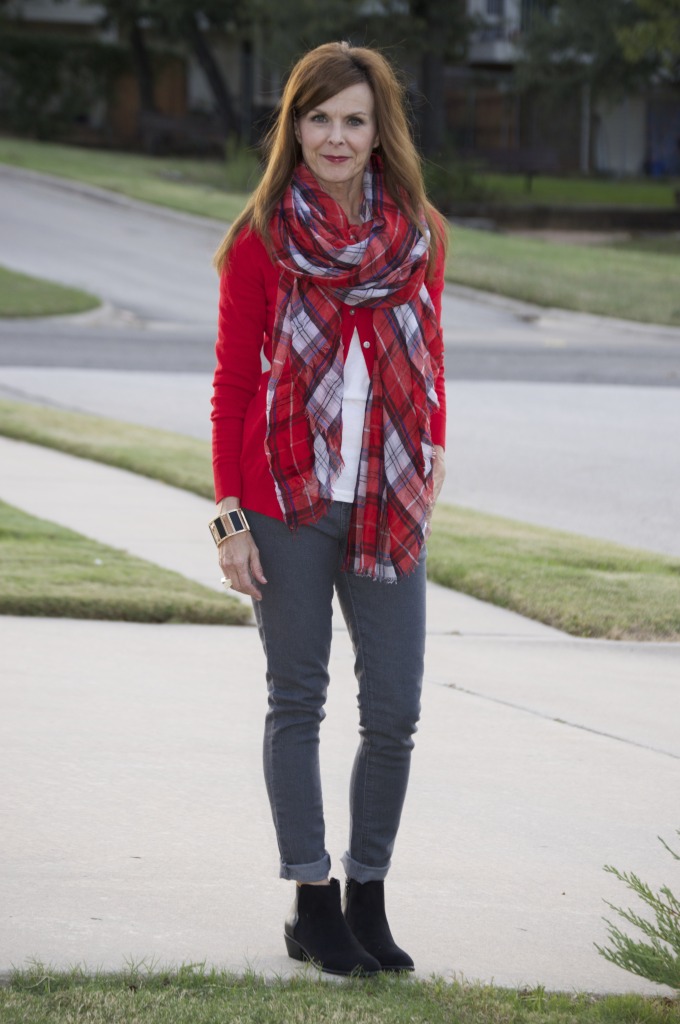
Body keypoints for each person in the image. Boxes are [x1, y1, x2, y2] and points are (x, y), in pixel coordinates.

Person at [209, 40, 447, 976]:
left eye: (354, 119)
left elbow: (431, 365)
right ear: (293, 127)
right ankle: (313, 904)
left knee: (394, 710)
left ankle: (368, 896)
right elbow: (233, 386)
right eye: (319, 119)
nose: (336, 137)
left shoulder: (421, 233)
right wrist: (229, 522)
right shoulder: (261, 238)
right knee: (296, 699)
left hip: (389, 501)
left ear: (379, 130)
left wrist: (432, 467)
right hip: (285, 503)